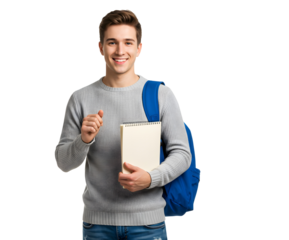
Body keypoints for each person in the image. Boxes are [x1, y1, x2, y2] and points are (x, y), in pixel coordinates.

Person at [54, 7, 191, 240]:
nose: (120, 51)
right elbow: (63, 163)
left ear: (139, 48)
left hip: (148, 226)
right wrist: (83, 140)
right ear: (100, 48)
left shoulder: (161, 94)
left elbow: (182, 154)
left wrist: (151, 179)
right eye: (112, 42)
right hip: (96, 226)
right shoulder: (80, 97)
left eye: (128, 43)